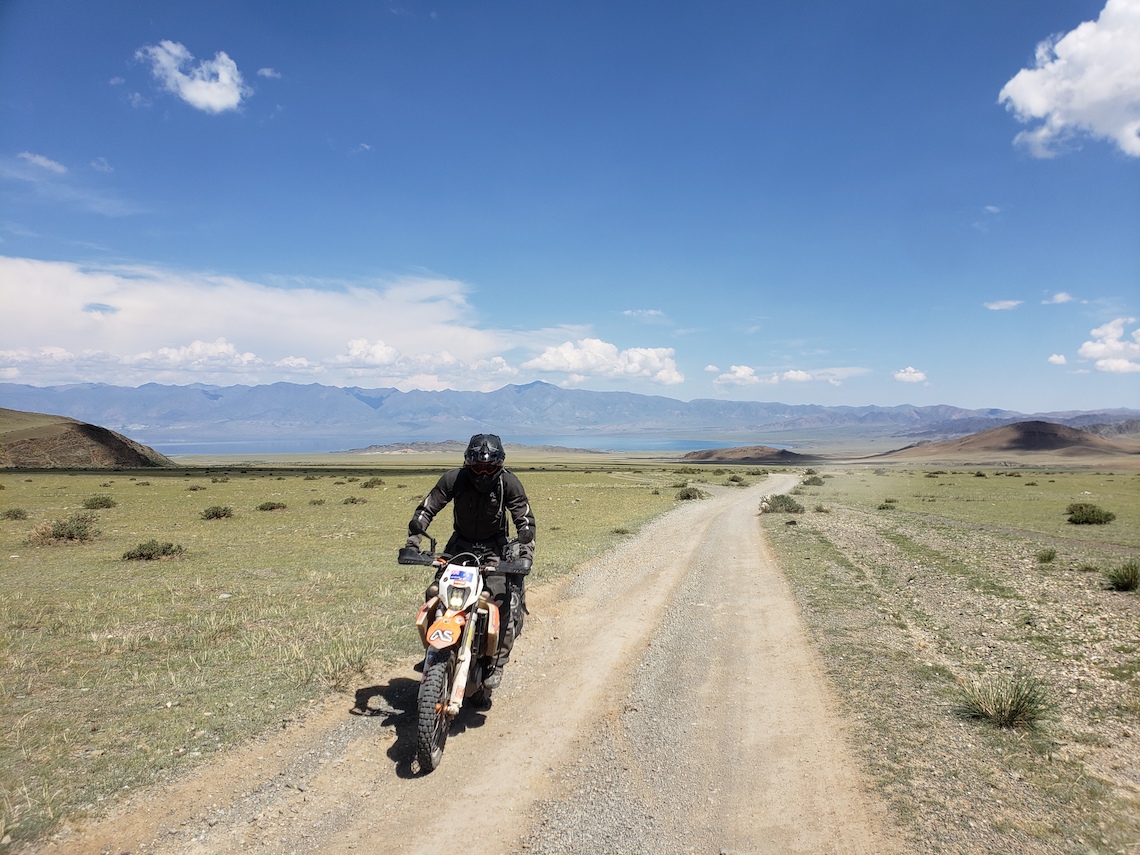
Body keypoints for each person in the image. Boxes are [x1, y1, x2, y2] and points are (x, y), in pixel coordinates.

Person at [402, 433, 535, 690]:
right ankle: (435, 652)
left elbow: (525, 520)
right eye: (478, 467)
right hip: (459, 546)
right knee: (436, 592)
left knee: (502, 599)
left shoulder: (509, 482)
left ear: (499, 465)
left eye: (490, 467)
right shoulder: (454, 479)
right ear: (468, 464)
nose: (483, 473)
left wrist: (524, 554)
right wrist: (413, 543)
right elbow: (426, 510)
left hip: (495, 548)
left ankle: (497, 662)